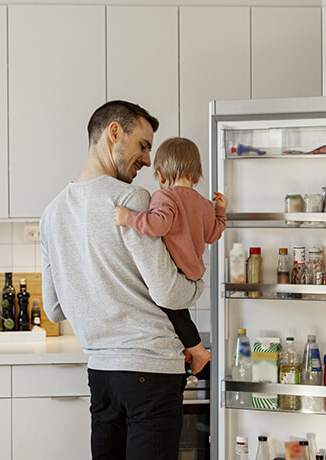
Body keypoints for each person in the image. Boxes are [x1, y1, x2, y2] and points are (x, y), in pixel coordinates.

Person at [40, 100, 205, 460]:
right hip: (151, 372)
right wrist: (197, 285)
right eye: (143, 145)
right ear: (114, 132)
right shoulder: (131, 199)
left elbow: (53, 309)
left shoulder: (51, 214)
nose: (148, 160)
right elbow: (168, 291)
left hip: (101, 376)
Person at [113, 137, 227, 376]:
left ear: (161, 175)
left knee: (164, 304)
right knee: (174, 312)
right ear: (197, 175)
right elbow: (215, 234)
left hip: (176, 278)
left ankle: (198, 351)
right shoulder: (205, 205)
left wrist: (128, 218)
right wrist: (220, 210)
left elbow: (157, 226)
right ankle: (190, 348)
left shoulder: (165, 197)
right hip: (194, 280)